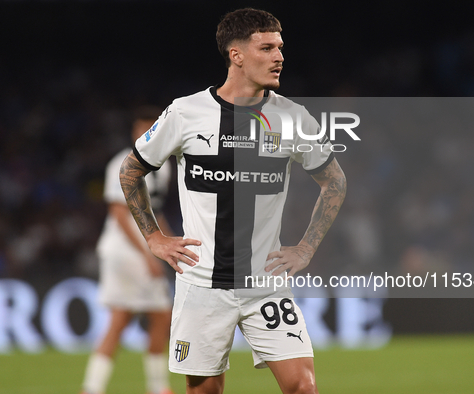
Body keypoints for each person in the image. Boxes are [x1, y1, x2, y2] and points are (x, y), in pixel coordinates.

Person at [119, 8, 346, 394]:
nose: (279, 57)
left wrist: (306, 248)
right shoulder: (186, 113)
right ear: (236, 55)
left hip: (266, 285)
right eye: (267, 47)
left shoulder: (293, 118)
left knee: (303, 386)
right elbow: (131, 171)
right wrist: (154, 238)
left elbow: (335, 182)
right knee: (205, 391)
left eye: (281, 47)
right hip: (202, 286)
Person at [80, 107, 175, 394]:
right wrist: (149, 253)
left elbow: (154, 212)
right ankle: (155, 387)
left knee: (154, 317)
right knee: (134, 318)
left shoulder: (164, 166)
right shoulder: (121, 163)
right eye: (141, 130)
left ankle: (95, 387)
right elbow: (120, 215)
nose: (146, 135)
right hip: (124, 251)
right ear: (133, 132)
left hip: (144, 249)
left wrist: (171, 242)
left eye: (151, 129)